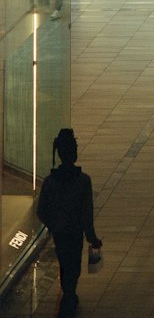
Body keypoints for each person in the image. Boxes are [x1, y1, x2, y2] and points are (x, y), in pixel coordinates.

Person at [36, 127, 102, 318]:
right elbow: (86, 213)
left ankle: (68, 294)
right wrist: (92, 237)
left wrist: (54, 225)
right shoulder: (83, 182)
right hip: (74, 232)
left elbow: (42, 211)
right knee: (73, 264)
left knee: (65, 262)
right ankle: (69, 295)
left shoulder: (50, 182)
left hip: (60, 232)